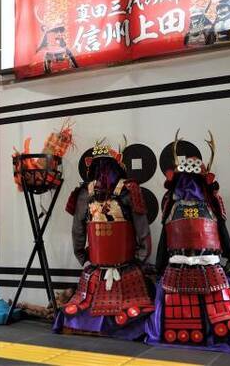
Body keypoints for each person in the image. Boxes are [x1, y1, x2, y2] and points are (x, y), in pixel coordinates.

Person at [147, 131, 230, 356]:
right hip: (199, 268)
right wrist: (228, 257)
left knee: (184, 313)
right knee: (220, 313)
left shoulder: (174, 204)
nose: (188, 185)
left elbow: (167, 237)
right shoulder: (205, 203)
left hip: (190, 268)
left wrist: (160, 266)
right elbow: (219, 233)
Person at [53, 141, 154, 339]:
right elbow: (143, 231)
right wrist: (139, 259)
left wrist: (84, 259)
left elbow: (77, 231)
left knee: (85, 306)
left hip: (99, 268)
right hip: (124, 267)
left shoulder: (86, 192)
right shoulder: (129, 190)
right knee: (133, 310)